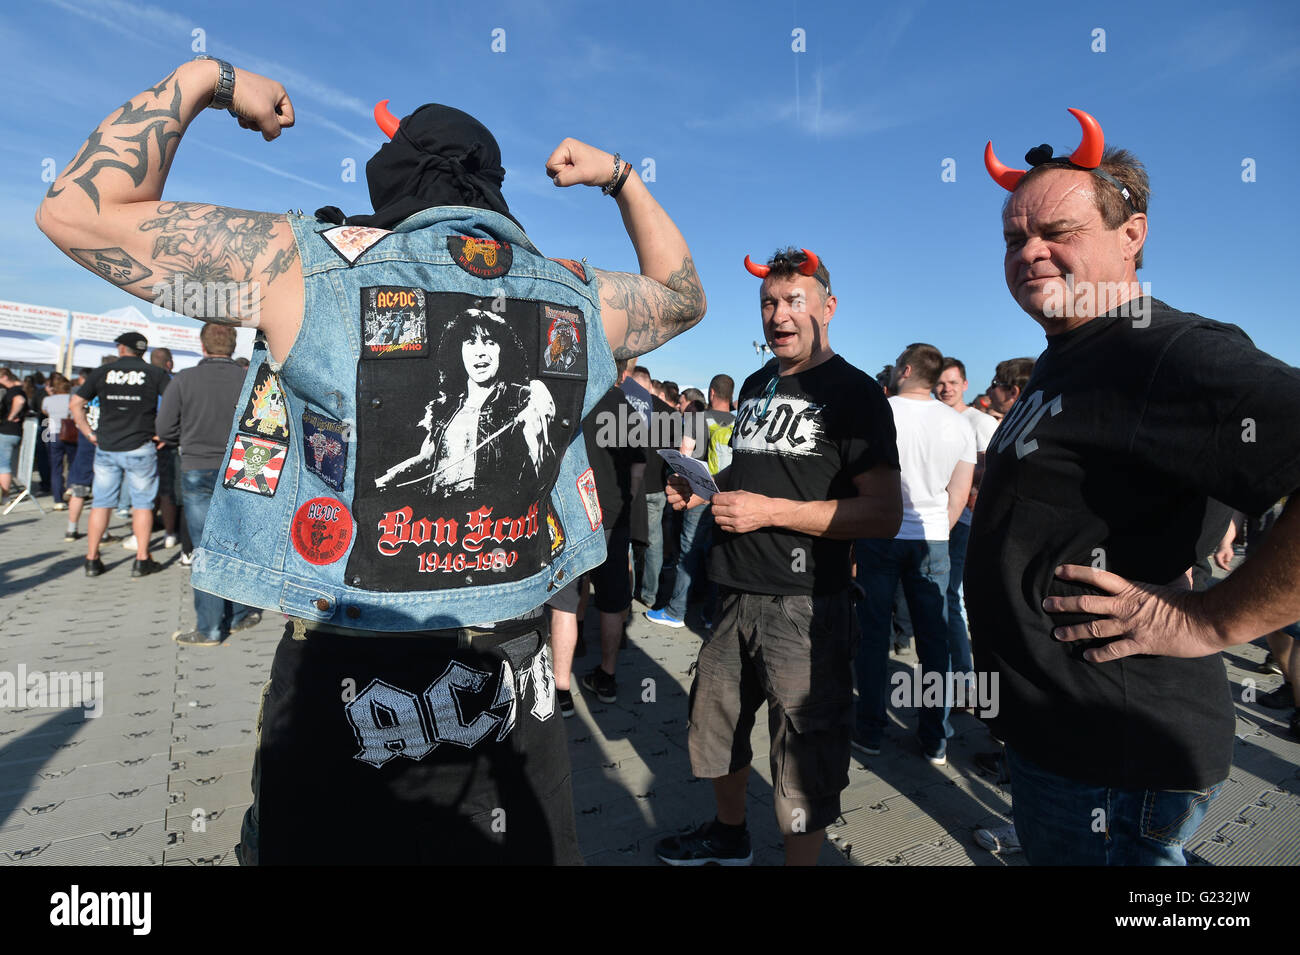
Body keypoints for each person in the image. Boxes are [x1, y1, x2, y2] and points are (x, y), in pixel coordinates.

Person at [37, 57, 705, 864]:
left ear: (395, 177)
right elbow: (682, 293)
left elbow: (76, 212)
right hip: (511, 686)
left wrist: (205, 79)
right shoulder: (575, 296)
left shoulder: (305, 267)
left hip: (348, 684)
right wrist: (619, 176)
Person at [968, 108, 1300, 865]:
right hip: (1063, 740)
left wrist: (1214, 620)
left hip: (1115, 752)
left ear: (1132, 235)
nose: (1031, 252)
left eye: (1058, 231)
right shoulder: (1068, 353)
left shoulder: (1157, 347)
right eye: (1015, 238)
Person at [655, 247, 901, 866]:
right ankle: (729, 834)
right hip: (732, 592)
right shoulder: (759, 383)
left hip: (806, 609)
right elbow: (755, 467)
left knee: (803, 760)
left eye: (794, 300)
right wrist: (702, 485)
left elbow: (882, 513)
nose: (779, 315)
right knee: (718, 730)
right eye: (769, 302)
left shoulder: (857, 394)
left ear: (828, 307)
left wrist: (771, 512)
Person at [854, 343, 974, 765]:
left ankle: (868, 730)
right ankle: (935, 737)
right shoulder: (959, 424)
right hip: (932, 538)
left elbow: (856, 479)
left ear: (904, 369)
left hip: (879, 533)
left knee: (872, 638)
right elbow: (959, 494)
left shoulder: (880, 412)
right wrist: (938, 526)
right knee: (934, 641)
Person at [373, 307, 556, 496]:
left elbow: (542, 469)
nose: (480, 352)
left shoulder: (523, 399)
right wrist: (386, 479)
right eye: (470, 342)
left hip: (492, 520)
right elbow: (426, 458)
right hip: (441, 521)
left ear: (504, 350)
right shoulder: (442, 408)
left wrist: (537, 409)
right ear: (457, 351)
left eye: (490, 342)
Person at [157, 324, 261, 647]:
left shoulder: (183, 380)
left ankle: (211, 627)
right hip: (242, 466)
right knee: (238, 541)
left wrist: (185, 439)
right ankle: (243, 611)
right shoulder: (248, 380)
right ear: (232, 346)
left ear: (202, 347)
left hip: (198, 466)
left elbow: (164, 428)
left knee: (205, 549)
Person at [67, 333, 169, 578]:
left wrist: (88, 432)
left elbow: (75, 404)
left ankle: (92, 559)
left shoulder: (103, 372)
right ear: (142, 351)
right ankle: (142, 559)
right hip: (141, 446)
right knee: (142, 505)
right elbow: (176, 403)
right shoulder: (156, 374)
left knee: (102, 503)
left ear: (122, 348)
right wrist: (164, 434)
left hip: (107, 446)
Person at [646, 372, 735, 629]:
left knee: (688, 551)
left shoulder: (699, 419)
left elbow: (684, 456)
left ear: (712, 393)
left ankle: (676, 610)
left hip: (699, 494)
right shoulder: (738, 421)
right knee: (716, 553)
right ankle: (710, 614)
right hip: (726, 494)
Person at [933, 356, 999, 680]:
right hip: (931, 519)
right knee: (935, 596)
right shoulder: (929, 418)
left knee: (951, 596)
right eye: (941, 383)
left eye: (952, 383)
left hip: (965, 522)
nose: (946, 389)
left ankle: (962, 678)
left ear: (965, 385)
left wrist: (967, 482)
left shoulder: (981, 423)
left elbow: (994, 473)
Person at [42, 373, 75, 511]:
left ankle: (58, 500)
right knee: (73, 464)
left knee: (56, 467)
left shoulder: (48, 400)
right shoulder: (71, 398)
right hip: (70, 433)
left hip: (53, 433)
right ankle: (70, 488)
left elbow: (45, 412)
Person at [0, 368, 26, 502]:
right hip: (10, 431)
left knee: (3, 464)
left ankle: (5, 496)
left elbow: (20, 401)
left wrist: (11, 416)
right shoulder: (15, 390)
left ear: (5, 377)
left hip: (8, 431)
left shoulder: (15, 391)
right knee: (3, 463)